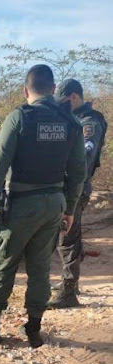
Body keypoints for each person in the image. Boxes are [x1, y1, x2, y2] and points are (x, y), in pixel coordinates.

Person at [0, 65, 86, 348]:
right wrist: (69, 209)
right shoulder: (71, 123)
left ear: (25, 90)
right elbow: (78, 172)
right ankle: (33, 329)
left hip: (21, 204)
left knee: (3, 263)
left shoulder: (19, 118)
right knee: (40, 267)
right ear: (54, 89)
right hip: (53, 204)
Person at [48, 79, 108, 309]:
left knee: (67, 239)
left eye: (64, 102)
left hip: (76, 188)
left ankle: (69, 292)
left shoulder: (89, 123)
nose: (62, 107)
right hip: (68, 187)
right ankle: (69, 283)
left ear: (73, 97)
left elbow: (84, 158)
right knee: (69, 238)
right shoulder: (75, 120)